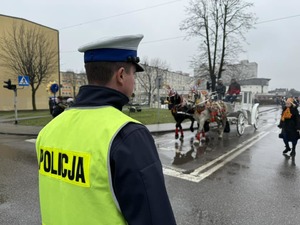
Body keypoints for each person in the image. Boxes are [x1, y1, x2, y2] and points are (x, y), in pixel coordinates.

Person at [36, 34, 177, 225]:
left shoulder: (48, 131)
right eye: (133, 74)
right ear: (121, 75)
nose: (134, 81)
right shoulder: (128, 135)